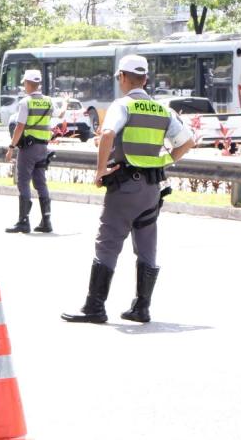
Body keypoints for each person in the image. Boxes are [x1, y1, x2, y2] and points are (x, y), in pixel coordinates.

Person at [61, 54, 196, 325]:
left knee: (108, 242)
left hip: (125, 186)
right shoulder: (163, 111)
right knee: (147, 246)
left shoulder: (122, 105)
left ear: (123, 77)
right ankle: (141, 308)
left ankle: (94, 307)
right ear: (145, 79)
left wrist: (100, 171)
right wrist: (164, 161)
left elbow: (108, 134)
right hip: (151, 189)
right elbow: (188, 141)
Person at [2, 69, 54, 234]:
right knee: (41, 183)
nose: (24, 85)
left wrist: (11, 147)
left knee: (23, 182)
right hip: (43, 149)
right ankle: (46, 221)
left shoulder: (26, 102)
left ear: (28, 83)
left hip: (29, 149)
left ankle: (23, 221)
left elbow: (20, 126)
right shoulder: (49, 101)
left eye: (24, 82)